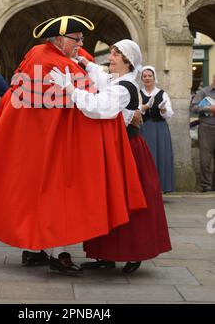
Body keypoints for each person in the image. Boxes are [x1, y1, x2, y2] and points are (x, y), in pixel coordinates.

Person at [0, 16, 147, 275]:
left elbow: (90, 90)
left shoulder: (54, 58)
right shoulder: (47, 59)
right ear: (59, 39)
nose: (81, 44)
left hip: (48, 141)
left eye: (82, 39)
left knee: (44, 196)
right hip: (49, 142)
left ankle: (39, 250)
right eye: (77, 39)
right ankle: (56, 254)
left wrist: (85, 76)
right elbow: (70, 100)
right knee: (54, 196)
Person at [50, 39, 172, 273]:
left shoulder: (124, 88)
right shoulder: (117, 80)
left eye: (116, 54)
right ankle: (105, 254)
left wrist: (70, 88)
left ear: (127, 62)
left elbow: (98, 106)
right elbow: (101, 76)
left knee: (127, 202)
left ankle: (132, 253)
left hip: (129, 151)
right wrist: (85, 62)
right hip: (115, 150)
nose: (111, 57)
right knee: (108, 202)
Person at [139, 66, 175, 193]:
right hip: (144, 129)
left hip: (160, 129)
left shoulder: (162, 93)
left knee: (161, 156)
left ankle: (160, 188)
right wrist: (145, 106)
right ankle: (146, 189)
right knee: (146, 158)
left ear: (154, 77)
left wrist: (163, 109)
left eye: (150, 76)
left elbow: (169, 113)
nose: (147, 78)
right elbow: (136, 111)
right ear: (142, 78)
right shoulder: (139, 93)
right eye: (145, 76)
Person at [191, 74, 215, 192]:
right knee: (205, 159)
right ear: (213, 78)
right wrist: (208, 109)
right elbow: (194, 108)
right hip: (206, 128)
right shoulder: (203, 92)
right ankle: (206, 185)